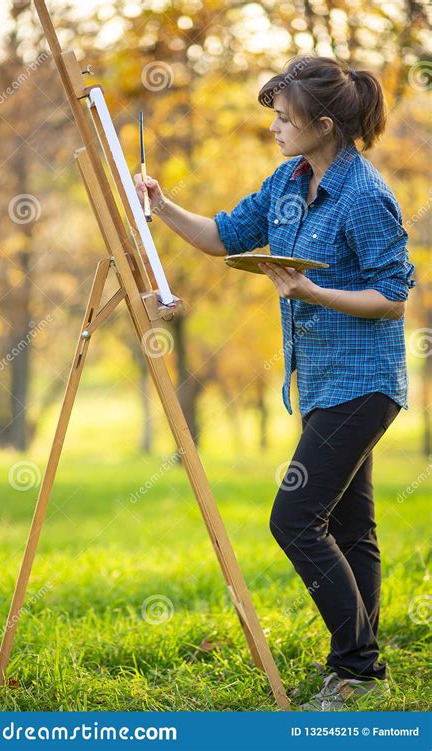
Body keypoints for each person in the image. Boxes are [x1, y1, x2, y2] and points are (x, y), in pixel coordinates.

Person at [134, 54, 417, 711]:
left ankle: (355, 663)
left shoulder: (365, 194)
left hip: (365, 380)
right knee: (353, 528)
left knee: (293, 517)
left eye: (284, 118)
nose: (274, 128)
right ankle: (361, 668)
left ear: (323, 124)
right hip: (320, 383)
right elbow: (224, 235)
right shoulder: (287, 182)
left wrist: (310, 288)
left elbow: (393, 296)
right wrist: (162, 204)